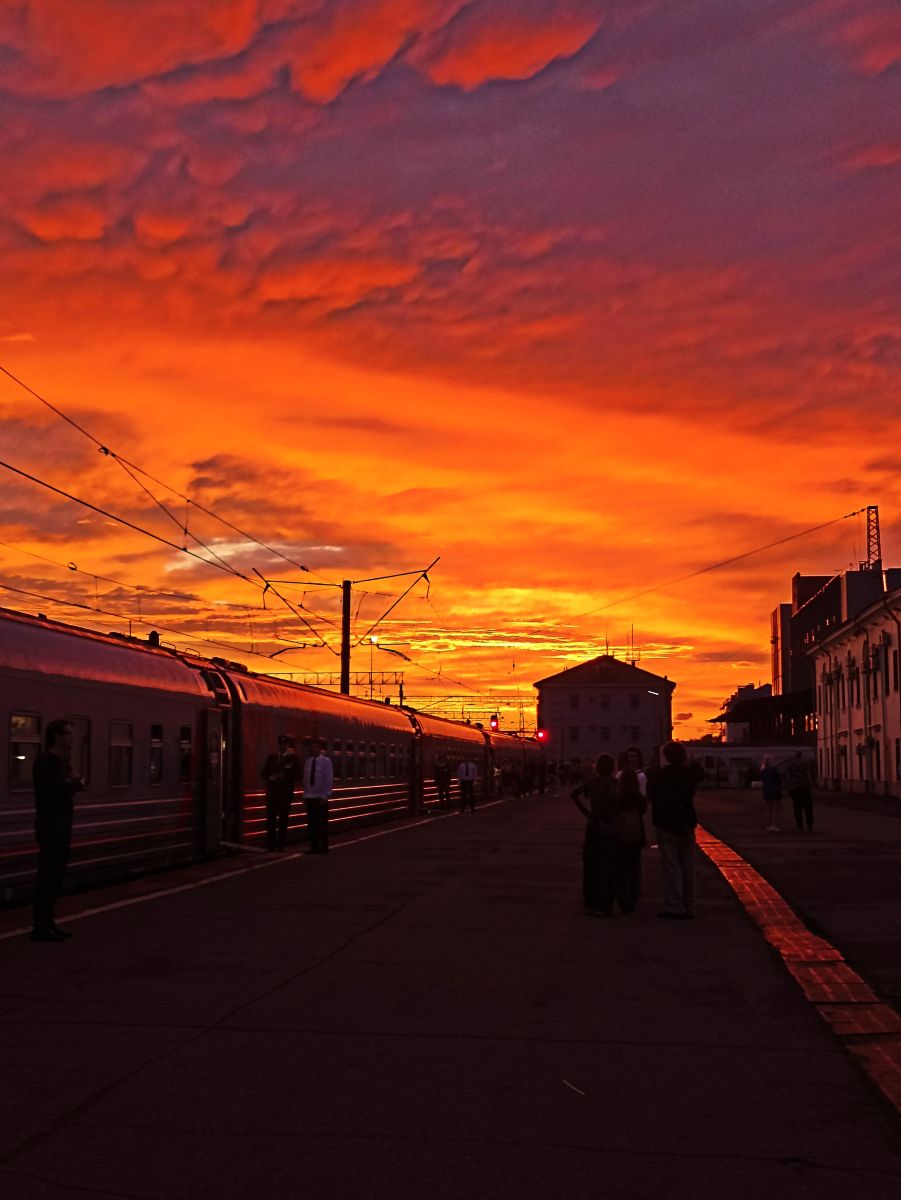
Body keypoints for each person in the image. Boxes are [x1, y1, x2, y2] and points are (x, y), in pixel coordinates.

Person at [31, 719, 84, 942]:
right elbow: (55, 790)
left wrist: (72, 783)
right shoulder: (47, 762)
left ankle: (48, 923)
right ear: (56, 736)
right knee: (48, 875)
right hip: (51, 825)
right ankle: (41, 926)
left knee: (55, 874)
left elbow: (67, 784)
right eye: (68, 733)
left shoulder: (61, 761)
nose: (72, 738)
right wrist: (75, 784)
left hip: (61, 824)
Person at [649, 741, 704, 919]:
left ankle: (674, 905)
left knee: (671, 866)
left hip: (666, 823)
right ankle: (690, 905)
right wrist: (692, 761)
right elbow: (700, 774)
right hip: (687, 822)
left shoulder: (661, 775)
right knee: (688, 866)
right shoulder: (689, 774)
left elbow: (652, 795)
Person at [571, 754, 619, 917]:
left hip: (593, 824)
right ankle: (604, 905)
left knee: (590, 865)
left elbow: (574, 794)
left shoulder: (592, 783)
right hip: (609, 825)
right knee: (607, 866)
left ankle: (589, 902)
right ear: (612, 767)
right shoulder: (614, 783)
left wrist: (587, 813)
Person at [614, 766, 647, 914]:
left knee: (620, 868)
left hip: (619, 835)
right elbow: (643, 811)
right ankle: (633, 897)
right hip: (636, 834)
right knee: (634, 866)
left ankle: (621, 899)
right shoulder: (639, 798)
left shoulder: (616, 796)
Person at [261, 734, 301, 851]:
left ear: (287, 746)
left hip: (285, 795)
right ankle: (271, 845)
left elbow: (298, 775)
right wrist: (270, 777)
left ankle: (281, 845)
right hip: (272, 795)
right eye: (279, 745)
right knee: (271, 821)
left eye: (283, 745)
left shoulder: (293, 759)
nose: (281, 747)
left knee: (283, 821)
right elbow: (263, 773)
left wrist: (285, 777)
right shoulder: (271, 758)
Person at [303, 741, 334, 854]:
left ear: (320, 749)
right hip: (309, 797)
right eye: (312, 747)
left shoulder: (326, 762)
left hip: (320, 797)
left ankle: (324, 847)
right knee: (311, 824)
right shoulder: (307, 761)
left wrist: (326, 795)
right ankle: (314, 847)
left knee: (321, 824)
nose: (313, 749)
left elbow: (328, 779)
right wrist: (305, 795)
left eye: (315, 747)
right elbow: (306, 779)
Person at [784, 751, 815, 832]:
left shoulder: (790, 766)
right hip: (805, 789)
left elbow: (788, 778)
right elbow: (808, 776)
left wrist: (789, 788)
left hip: (795, 789)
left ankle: (799, 826)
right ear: (801, 756)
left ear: (794, 757)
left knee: (797, 808)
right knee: (808, 808)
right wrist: (812, 786)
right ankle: (809, 825)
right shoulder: (805, 764)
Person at [760, 755, 782, 831]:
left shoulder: (763, 771)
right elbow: (778, 780)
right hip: (774, 790)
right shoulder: (774, 770)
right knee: (775, 809)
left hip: (766, 790)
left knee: (768, 809)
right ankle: (774, 824)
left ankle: (768, 825)